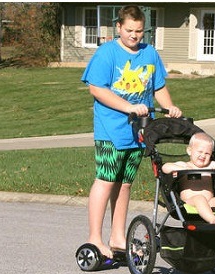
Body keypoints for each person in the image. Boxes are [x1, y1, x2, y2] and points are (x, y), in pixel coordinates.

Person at [80, 5, 182, 259]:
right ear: (118, 27)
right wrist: (128, 107)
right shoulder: (107, 53)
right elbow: (97, 89)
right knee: (106, 180)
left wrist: (170, 107)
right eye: (129, 30)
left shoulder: (149, 54)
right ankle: (95, 238)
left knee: (124, 184)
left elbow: (158, 86)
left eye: (139, 31)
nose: (135, 36)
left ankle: (117, 237)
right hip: (110, 129)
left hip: (140, 131)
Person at [162, 132, 215, 224]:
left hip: (209, 202)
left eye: (207, 153)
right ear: (189, 151)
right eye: (200, 152)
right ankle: (212, 219)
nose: (203, 156)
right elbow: (165, 167)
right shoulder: (184, 165)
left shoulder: (210, 166)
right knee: (199, 198)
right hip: (189, 202)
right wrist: (184, 169)